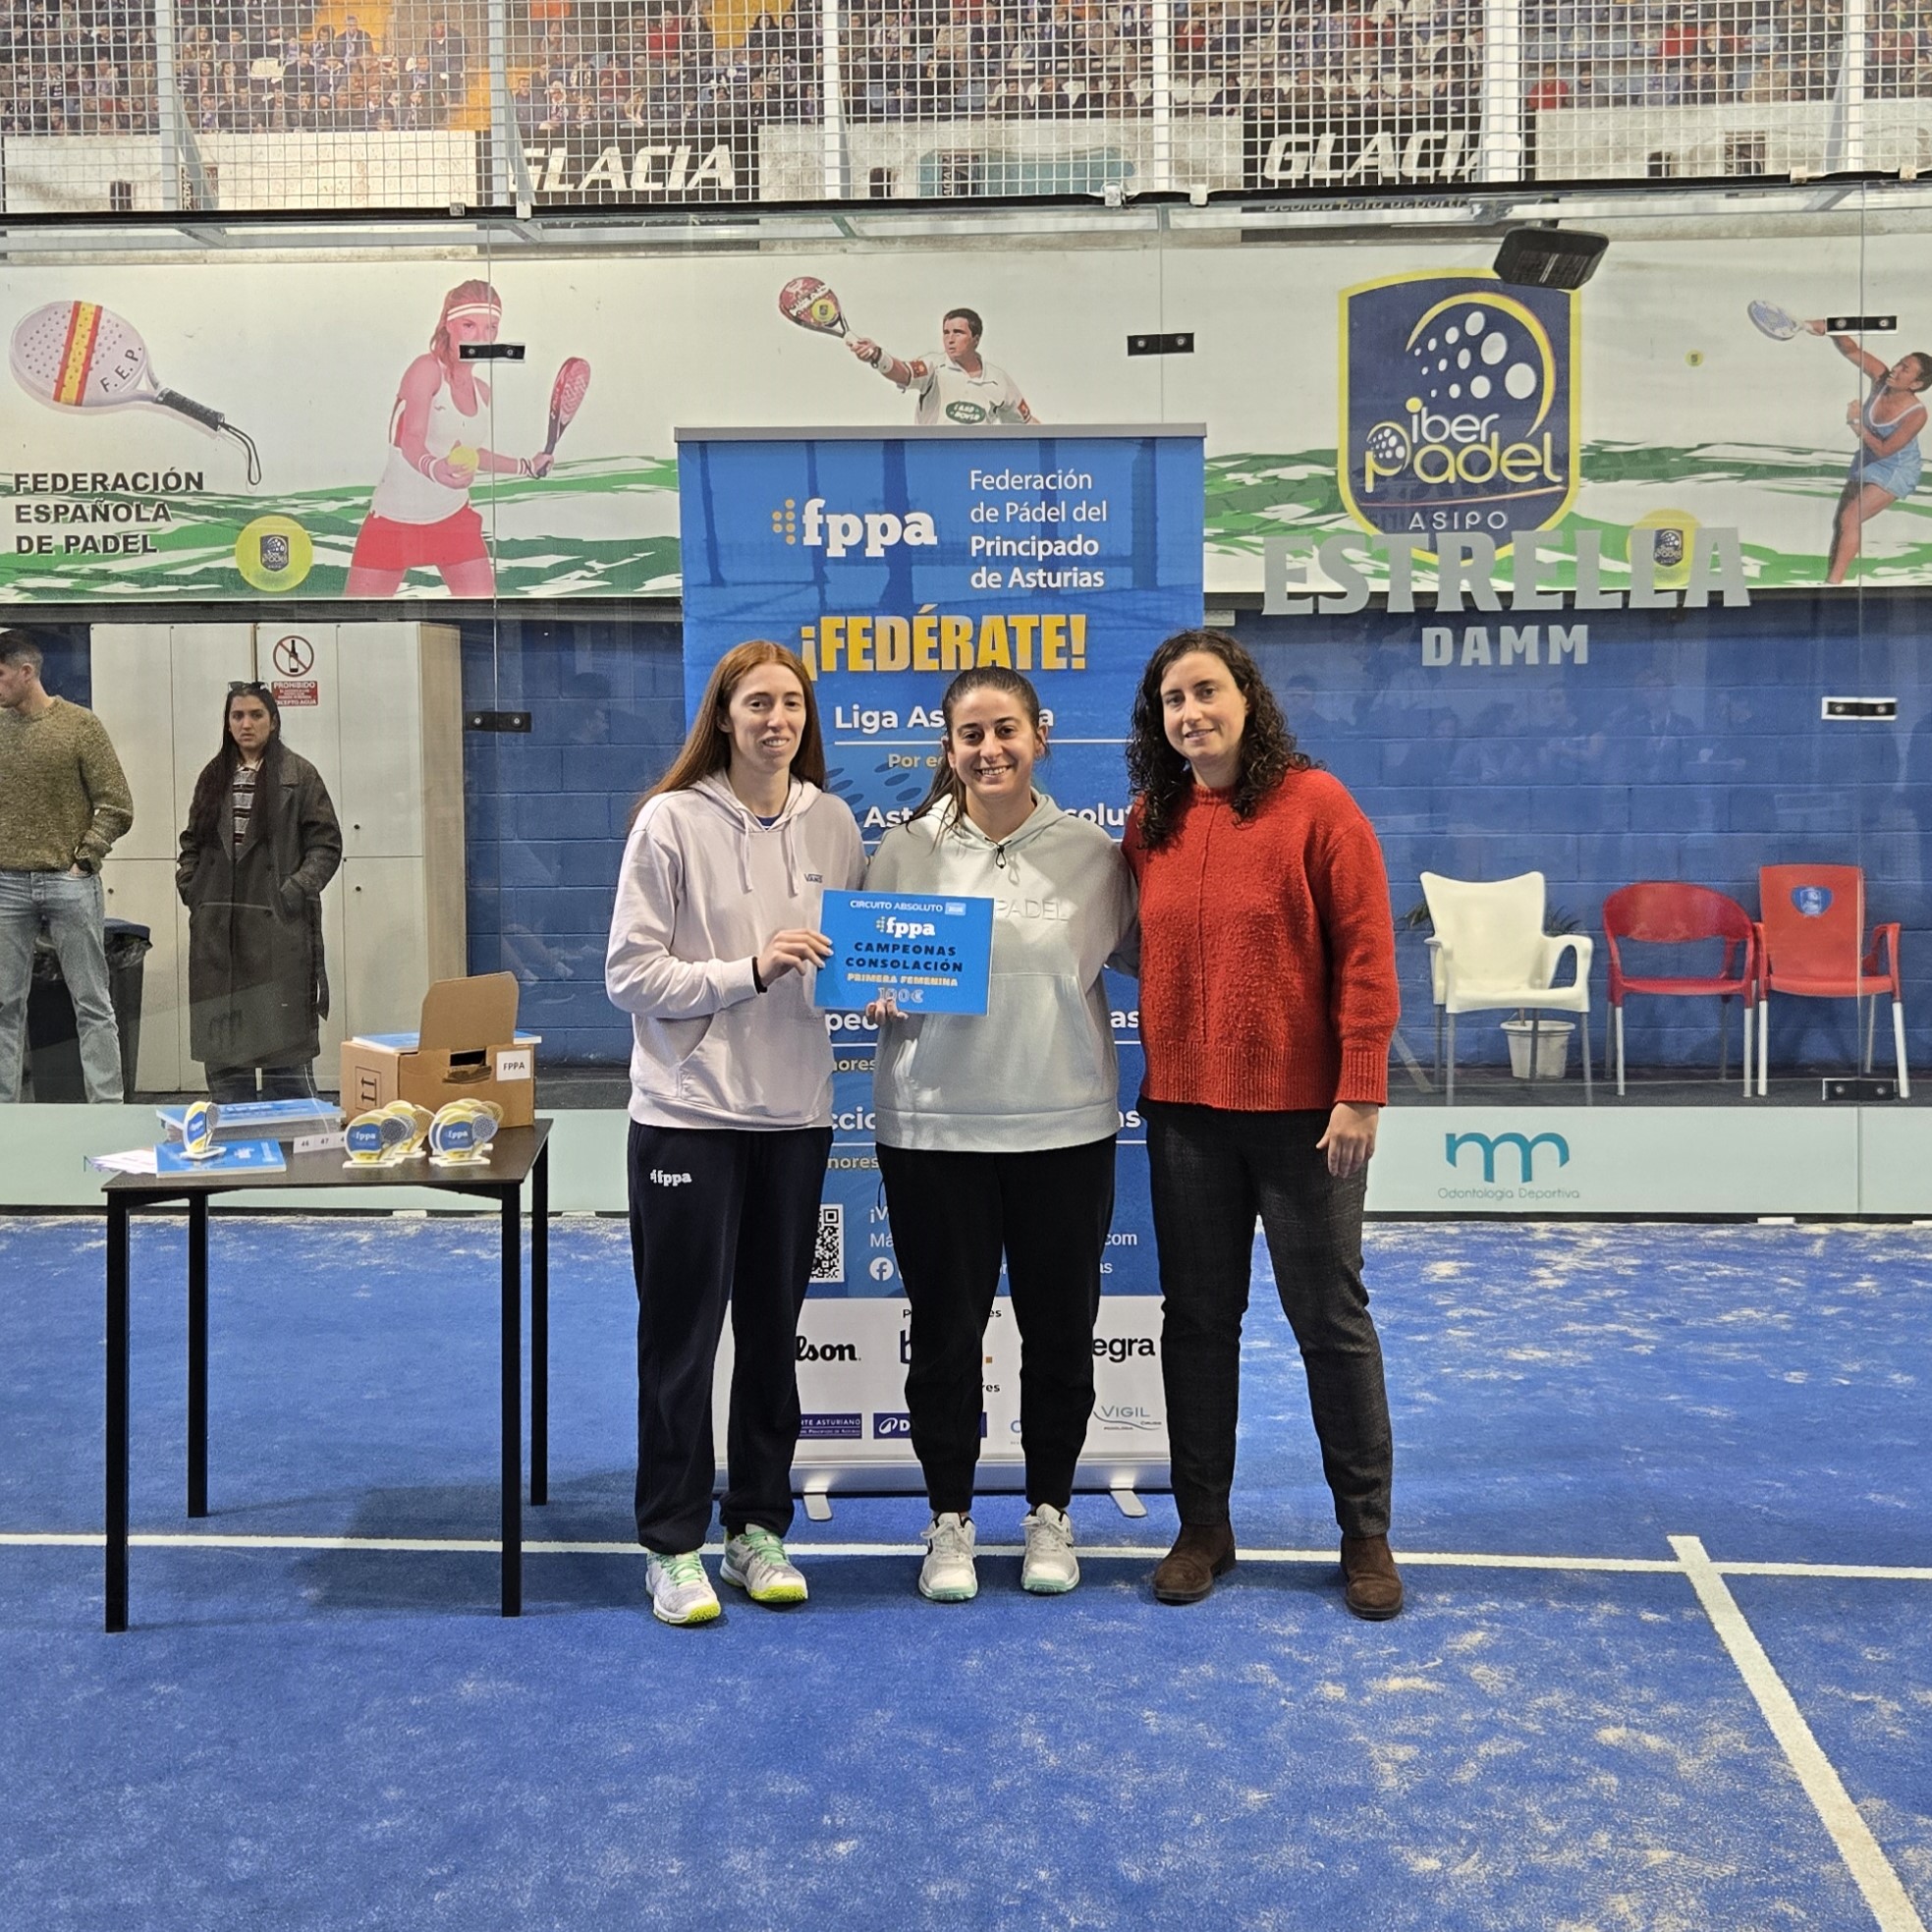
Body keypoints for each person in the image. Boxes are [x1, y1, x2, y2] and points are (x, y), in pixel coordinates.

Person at [1123, 629, 1403, 1619]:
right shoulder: (1148, 820)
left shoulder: (1316, 805)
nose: (1190, 712)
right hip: (1184, 1116)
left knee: (1329, 1322)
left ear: (1245, 698)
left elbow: (1366, 950)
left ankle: (1364, 1533)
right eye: (1172, 700)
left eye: (1206, 691)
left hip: (1304, 1120)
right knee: (1197, 1323)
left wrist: (1359, 1086)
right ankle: (1202, 1526)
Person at [605, 639, 864, 1628]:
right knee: (680, 1343)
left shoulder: (832, 820)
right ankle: (671, 1543)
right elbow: (629, 975)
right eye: (757, 703)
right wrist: (746, 970)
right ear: (722, 714)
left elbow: (846, 962)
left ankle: (757, 1526)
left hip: (795, 1118)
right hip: (688, 1120)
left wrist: (877, 989)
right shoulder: (669, 820)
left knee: (770, 1340)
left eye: (791, 703)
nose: (776, 720)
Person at [866, 667, 1135, 1603]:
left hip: (1065, 1129)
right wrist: (872, 987)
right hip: (933, 1132)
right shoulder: (902, 851)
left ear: (1039, 736)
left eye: (1006, 729)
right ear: (947, 749)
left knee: (1060, 1336)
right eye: (971, 734)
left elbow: (1159, 958)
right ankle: (948, 1520)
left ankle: (1049, 1512)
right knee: (945, 1339)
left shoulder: (1094, 855)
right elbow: (866, 967)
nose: (990, 749)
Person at [176, 683, 342, 1104]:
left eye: (256, 715)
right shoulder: (213, 777)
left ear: (273, 721)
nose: (246, 724)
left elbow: (326, 845)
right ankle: (235, 1139)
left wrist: (294, 890)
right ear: (227, 723)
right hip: (219, 932)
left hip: (277, 932)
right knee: (226, 1067)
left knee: (286, 1065)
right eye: (237, 716)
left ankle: (292, 1141)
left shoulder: (299, 776)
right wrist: (194, 890)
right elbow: (191, 842)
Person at [344, 281, 554, 599]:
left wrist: (527, 466)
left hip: (454, 519)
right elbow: (411, 438)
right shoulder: (426, 369)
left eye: (491, 328)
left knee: (484, 614)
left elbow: (471, 453)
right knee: (355, 622)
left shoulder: (482, 391)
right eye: (469, 325)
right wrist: (435, 468)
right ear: (448, 323)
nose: (481, 338)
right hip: (394, 521)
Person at [0, 632, 135, 1105]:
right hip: (6, 884)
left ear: (26, 672)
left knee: (92, 1002)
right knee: (3, 1006)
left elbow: (117, 804)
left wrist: (85, 858)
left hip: (68, 880)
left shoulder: (80, 726)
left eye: (0, 675)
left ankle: (108, 1109)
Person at [1804, 320, 1931, 585]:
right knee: (1842, 522)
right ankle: (1832, 582)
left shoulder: (1917, 414)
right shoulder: (1881, 378)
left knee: (1850, 517)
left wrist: (1855, 423)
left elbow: (1885, 450)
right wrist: (1830, 329)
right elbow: (1852, 350)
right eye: (1899, 363)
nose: (1895, 369)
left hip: (1896, 469)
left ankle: (1833, 585)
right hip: (1868, 459)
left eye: (1905, 369)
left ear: (1916, 384)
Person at [847, 306, 1038, 425]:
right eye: (946, 332)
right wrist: (878, 356)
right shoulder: (933, 365)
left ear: (976, 339)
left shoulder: (998, 379)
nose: (950, 339)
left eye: (958, 332)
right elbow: (903, 373)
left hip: (975, 470)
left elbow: (1027, 424)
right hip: (931, 463)